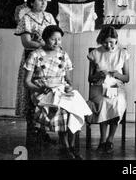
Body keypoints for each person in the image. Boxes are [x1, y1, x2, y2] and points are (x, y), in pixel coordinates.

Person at [24, 25, 92, 160]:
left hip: (61, 89)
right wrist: (40, 89)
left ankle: (71, 147)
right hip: (43, 91)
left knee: (76, 108)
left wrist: (69, 87)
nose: (57, 43)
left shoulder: (63, 54)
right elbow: (27, 82)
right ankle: (65, 147)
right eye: (53, 39)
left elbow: (68, 79)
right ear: (44, 39)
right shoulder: (35, 55)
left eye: (59, 40)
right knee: (63, 110)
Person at [14, 0, 57, 143]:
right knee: (32, 94)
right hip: (32, 58)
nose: (44, 3)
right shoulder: (26, 18)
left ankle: (43, 131)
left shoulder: (50, 17)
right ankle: (32, 134)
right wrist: (45, 44)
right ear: (32, 2)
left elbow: (56, 38)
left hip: (48, 59)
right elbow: (26, 42)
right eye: (40, 0)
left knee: (46, 92)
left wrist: (45, 44)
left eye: (46, 0)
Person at [87, 26, 130, 154]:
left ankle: (110, 140)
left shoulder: (123, 53)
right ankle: (102, 140)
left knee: (116, 102)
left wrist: (117, 74)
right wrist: (99, 75)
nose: (109, 45)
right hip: (100, 85)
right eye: (105, 42)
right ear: (101, 41)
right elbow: (90, 78)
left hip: (116, 86)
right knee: (103, 102)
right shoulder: (95, 53)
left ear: (116, 40)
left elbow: (126, 78)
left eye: (112, 42)